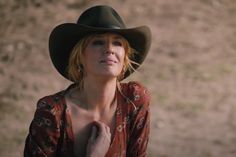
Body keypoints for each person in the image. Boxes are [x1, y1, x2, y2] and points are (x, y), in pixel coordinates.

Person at [24, 5, 151, 157]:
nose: (109, 49)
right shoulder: (53, 113)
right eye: (98, 42)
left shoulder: (134, 100)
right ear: (79, 57)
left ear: (125, 59)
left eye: (117, 43)